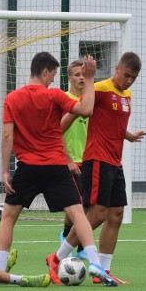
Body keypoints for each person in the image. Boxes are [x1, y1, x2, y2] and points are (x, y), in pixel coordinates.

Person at [0, 51, 118, 287]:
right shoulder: (54, 96)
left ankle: (0, 272)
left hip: (27, 168)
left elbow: (7, 135)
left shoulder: (12, 98)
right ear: (45, 71)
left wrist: (5, 171)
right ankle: (95, 263)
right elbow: (86, 109)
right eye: (52, 75)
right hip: (55, 166)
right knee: (78, 214)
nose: (53, 80)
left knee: (8, 217)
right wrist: (90, 79)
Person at [54, 51, 146, 285]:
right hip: (97, 159)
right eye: (126, 75)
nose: (128, 81)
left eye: (133, 78)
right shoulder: (101, 88)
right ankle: (57, 258)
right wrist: (55, 136)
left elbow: (113, 123)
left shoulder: (127, 95)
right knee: (96, 214)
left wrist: (129, 136)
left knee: (116, 215)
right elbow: (75, 114)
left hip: (116, 162)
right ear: (117, 68)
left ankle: (104, 271)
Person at [60, 59, 89, 259]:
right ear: (69, 78)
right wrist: (68, 159)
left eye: (84, 75)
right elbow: (56, 132)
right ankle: (80, 247)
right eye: (77, 74)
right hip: (68, 161)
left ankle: (65, 234)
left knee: (85, 206)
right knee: (77, 205)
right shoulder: (64, 100)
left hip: (90, 159)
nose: (81, 78)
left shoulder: (90, 101)